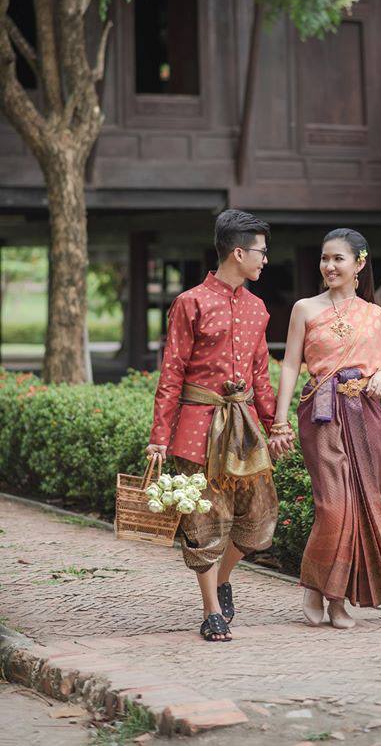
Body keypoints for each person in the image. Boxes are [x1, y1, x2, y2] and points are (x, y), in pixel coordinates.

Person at [273, 228, 381, 629]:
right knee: (333, 507)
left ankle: (336, 599)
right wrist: (279, 420)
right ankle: (320, 589)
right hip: (321, 413)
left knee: (363, 506)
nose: (329, 266)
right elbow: (292, 365)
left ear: (359, 264)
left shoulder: (374, 314)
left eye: (338, 259)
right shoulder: (305, 309)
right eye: (325, 258)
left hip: (365, 415)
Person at [145, 209, 294, 642]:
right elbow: (171, 372)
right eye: (261, 252)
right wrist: (159, 438)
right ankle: (210, 609)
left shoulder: (258, 309)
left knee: (259, 520)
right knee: (204, 523)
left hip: (244, 431)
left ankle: (224, 578)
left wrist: (277, 426)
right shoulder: (190, 302)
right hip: (196, 428)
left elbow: (261, 378)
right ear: (238, 252)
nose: (265, 260)